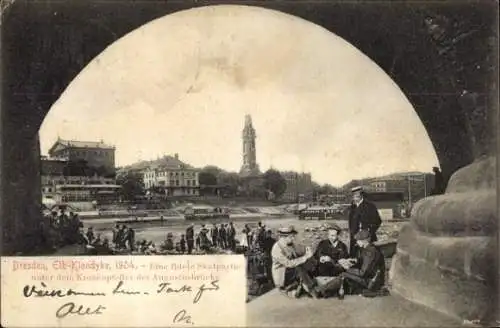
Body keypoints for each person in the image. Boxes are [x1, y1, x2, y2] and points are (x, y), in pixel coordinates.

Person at [271, 226, 320, 298]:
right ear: (284, 237)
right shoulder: (277, 249)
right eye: (291, 237)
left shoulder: (290, 244)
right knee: (299, 268)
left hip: (290, 273)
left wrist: (307, 249)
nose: (293, 238)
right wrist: (305, 257)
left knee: (306, 263)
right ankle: (311, 289)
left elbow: (300, 251)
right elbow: (289, 264)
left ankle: (308, 286)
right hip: (282, 276)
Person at [339, 230, 386, 296]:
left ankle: (322, 290)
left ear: (363, 241)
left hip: (371, 282)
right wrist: (352, 260)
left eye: (357, 240)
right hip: (370, 278)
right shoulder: (368, 248)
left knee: (343, 274)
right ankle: (324, 290)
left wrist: (347, 268)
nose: (356, 242)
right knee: (344, 274)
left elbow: (363, 273)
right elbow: (362, 260)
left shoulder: (370, 252)